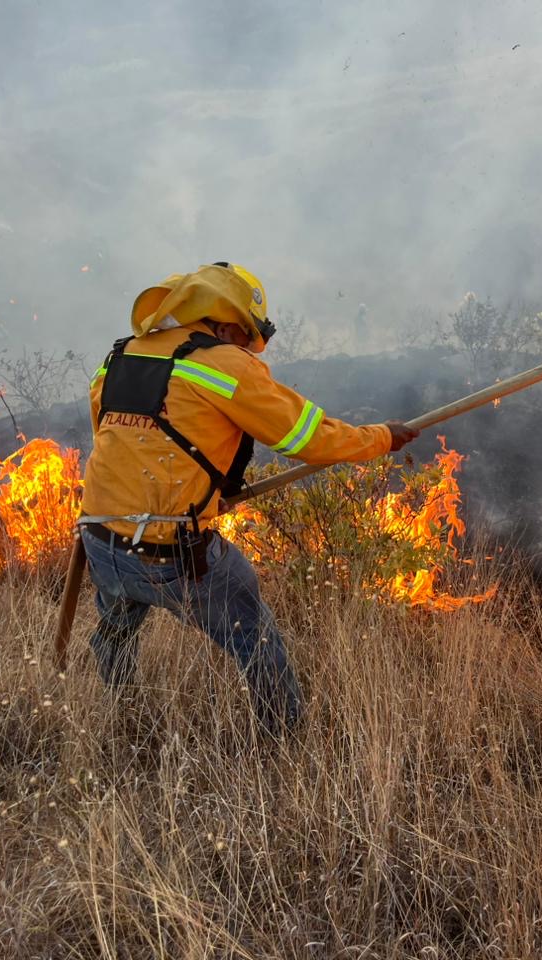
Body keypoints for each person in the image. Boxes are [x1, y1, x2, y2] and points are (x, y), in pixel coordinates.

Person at [78, 262, 419, 736]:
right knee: (255, 639)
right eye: (242, 336)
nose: (242, 347)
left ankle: (122, 715)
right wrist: (380, 437)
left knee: (116, 629)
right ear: (224, 322)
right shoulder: (222, 364)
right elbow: (306, 436)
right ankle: (285, 739)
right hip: (173, 557)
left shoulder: (120, 357)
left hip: (100, 539)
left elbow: (111, 437)